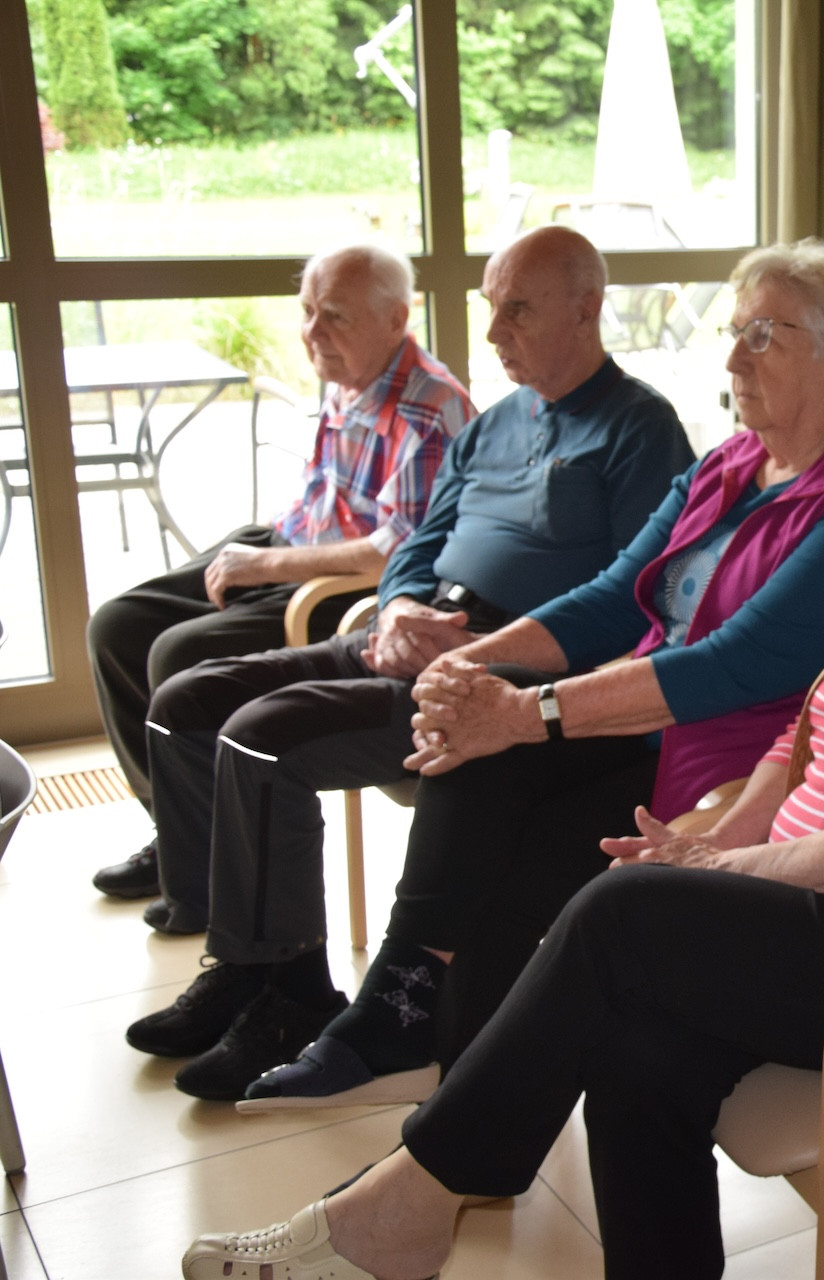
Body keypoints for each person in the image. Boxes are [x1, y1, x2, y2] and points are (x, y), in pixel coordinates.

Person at [183, 297, 824, 1280]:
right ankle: (428, 1204)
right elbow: (808, 727)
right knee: (636, 1048)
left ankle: (408, 1201)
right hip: (820, 904)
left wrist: (728, 864)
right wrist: (730, 833)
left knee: (622, 913)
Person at [226, 238, 824, 1110]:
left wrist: (522, 710)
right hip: (644, 721)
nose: (731, 356)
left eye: (763, 336)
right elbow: (606, 600)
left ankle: (445, 1075)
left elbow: (731, 666)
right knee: (480, 771)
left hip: (728, 762)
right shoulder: (731, 463)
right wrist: (469, 661)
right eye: (735, 330)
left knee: (517, 838)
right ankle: (420, 1032)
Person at [122, 224, 695, 1099]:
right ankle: (240, 962)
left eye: (518, 311)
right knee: (190, 700)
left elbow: (636, 596)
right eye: (490, 310)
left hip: (508, 668)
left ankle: (288, 992)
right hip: (418, 632)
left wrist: (489, 650)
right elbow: (416, 544)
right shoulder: (495, 423)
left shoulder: (638, 428)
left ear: (588, 310)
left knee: (263, 737)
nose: (495, 332)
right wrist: (398, 609)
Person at [88, 243, 474, 901]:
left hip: (338, 586)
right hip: (288, 544)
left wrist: (265, 564)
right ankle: (183, 834)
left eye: (333, 318)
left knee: (177, 656)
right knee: (115, 627)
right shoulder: (352, 372)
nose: (312, 334)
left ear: (395, 319)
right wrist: (260, 552)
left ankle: (206, 862)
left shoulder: (429, 405)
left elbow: (392, 549)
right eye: (306, 313)